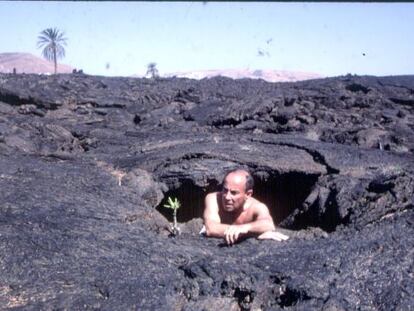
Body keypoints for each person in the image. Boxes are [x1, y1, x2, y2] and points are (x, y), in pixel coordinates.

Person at [203, 168, 289, 245]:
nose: (227, 197)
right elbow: (211, 229)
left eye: (234, 193)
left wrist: (245, 227)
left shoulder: (257, 207)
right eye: (225, 190)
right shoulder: (213, 198)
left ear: (248, 194)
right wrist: (253, 233)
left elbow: (268, 224)